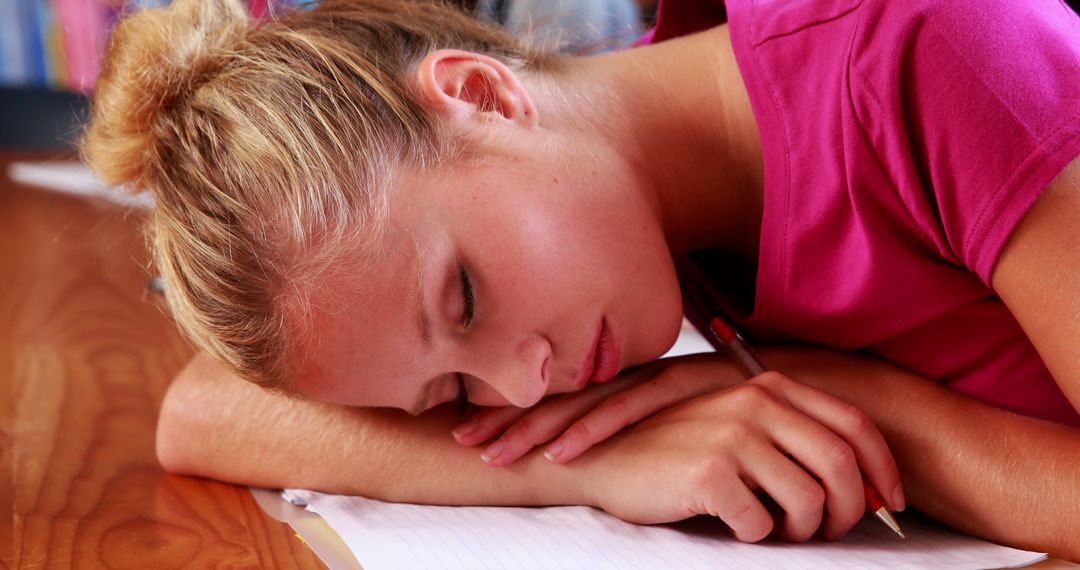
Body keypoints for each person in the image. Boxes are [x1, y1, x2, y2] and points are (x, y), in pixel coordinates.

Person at [81, 0, 1080, 558]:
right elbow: (202, 413)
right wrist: (589, 462)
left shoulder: (934, 53)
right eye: (455, 396)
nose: (529, 384)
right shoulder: (640, 201)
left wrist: (853, 401)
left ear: (482, 93)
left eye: (465, 297)